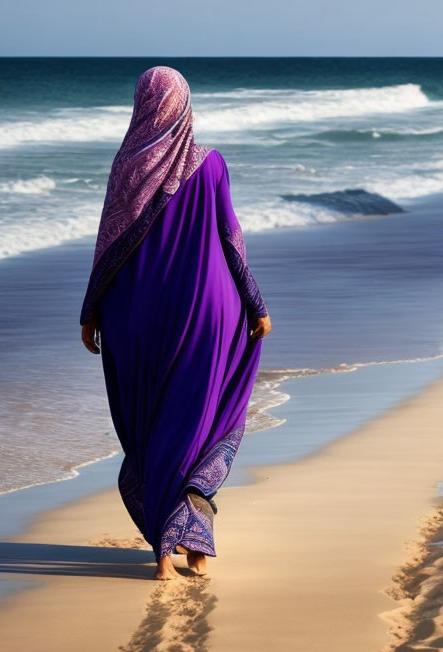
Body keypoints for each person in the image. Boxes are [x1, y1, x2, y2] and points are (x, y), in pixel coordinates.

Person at [79, 66, 271, 580]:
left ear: (141, 104)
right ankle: (195, 548)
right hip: (207, 313)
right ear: (183, 105)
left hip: (135, 319)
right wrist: (256, 304)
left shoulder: (125, 167)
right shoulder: (210, 165)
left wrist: (90, 312)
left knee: (153, 428)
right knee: (201, 421)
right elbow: (231, 240)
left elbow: (107, 249)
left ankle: (164, 554)